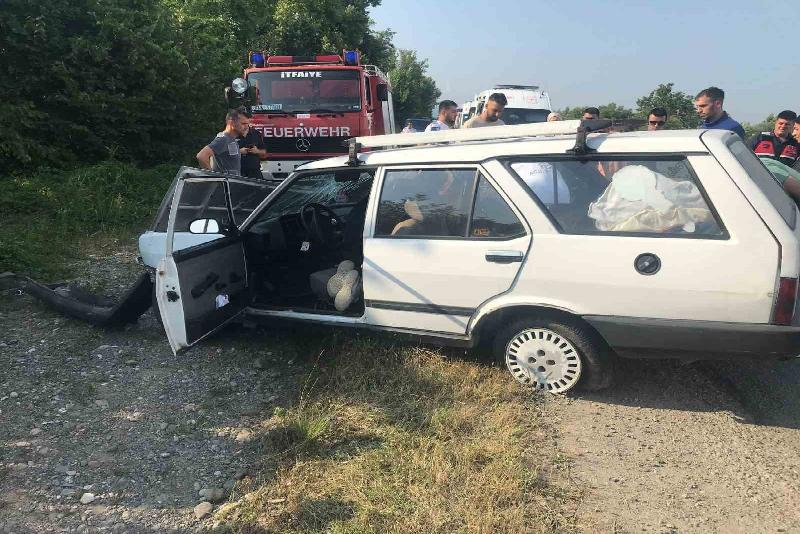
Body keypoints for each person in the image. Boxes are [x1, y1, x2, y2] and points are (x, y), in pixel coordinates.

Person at [196, 109, 251, 175]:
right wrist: (212, 178)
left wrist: (240, 151)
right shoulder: (223, 139)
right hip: (224, 184)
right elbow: (202, 156)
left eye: (247, 124)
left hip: (232, 184)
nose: (246, 127)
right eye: (243, 123)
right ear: (231, 122)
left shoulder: (232, 140)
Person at [237, 110, 267, 179]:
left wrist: (257, 151)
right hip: (238, 171)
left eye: (246, 123)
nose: (244, 126)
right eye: (242, 123)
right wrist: (239, 151)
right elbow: (224, 153)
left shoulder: (256, 134)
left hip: (254, 171)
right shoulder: (232, 135)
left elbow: (264, 152)